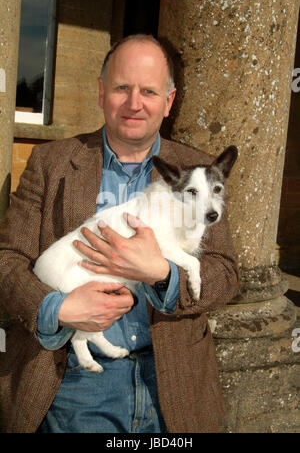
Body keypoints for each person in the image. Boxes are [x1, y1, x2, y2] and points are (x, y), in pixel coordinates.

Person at [0, 34, 239, 433]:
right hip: (76, 384)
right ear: (100, 92)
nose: (134, 103)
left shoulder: (200, 172)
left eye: (148, 90)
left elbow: (226, 275)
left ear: (169, 100)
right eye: (122, 88)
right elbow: (8, 262)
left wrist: (164, 273)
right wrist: (56, 309)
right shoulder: (50, 162)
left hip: (175, 383)